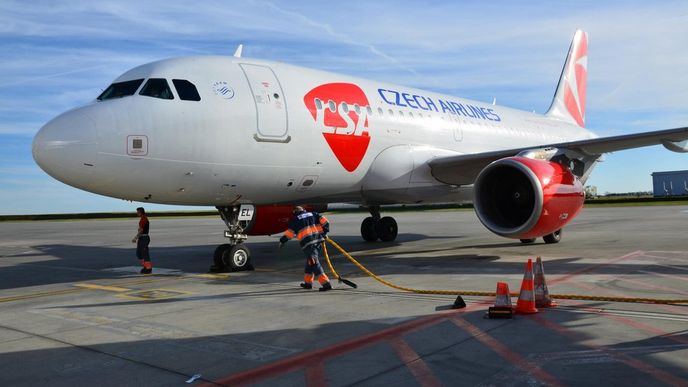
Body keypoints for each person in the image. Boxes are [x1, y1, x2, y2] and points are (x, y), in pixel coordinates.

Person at [279, 206, 332, 291]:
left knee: (314, 263)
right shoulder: (314, 214)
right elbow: (326, 222)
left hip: (308, 244)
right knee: (310, 262)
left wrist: (282, 241)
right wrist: (324, 232)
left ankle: (326, 284)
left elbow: (289, 234)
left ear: (295, 213)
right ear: (304, 210)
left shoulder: (296, 220)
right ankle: (308, 283)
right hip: (318, 242)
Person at [132, 207, 153, 274]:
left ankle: (148, 268)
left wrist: (135, 237)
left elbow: (141, 230)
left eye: (138, 212)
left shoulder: (144, 219)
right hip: (141, 238)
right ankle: (145, 266)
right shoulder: (142, 218)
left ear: (141, 212)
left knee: (144, 254)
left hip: (144, 238)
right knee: (139, 254)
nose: (137, 213)